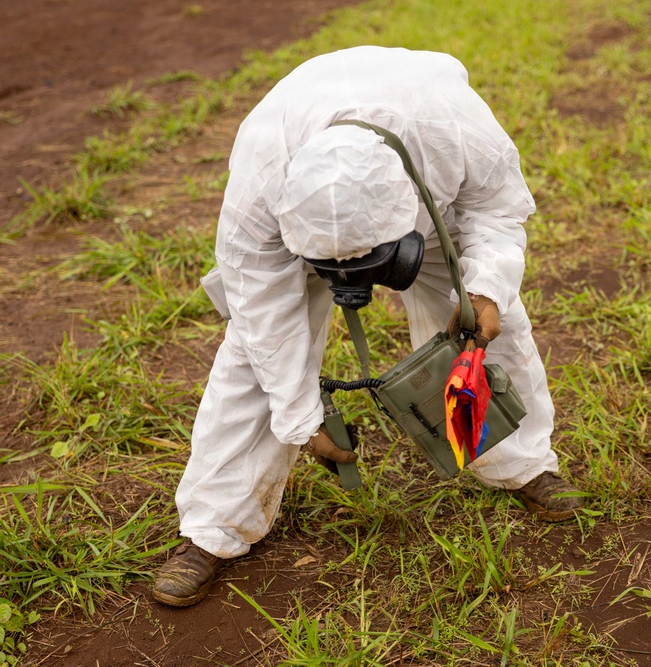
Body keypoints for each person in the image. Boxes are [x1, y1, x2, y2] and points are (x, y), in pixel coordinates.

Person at [152, 46, 583, 608]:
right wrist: (300, 418)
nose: (349, 282)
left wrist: (486, 288)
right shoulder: (261, 179)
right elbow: (263, 313)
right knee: (251, 356)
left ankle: (522, 464)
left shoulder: (453, 131)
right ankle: (213, 529)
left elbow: (495, 210)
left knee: (484, 328)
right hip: (296, 220)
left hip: (428, 198)